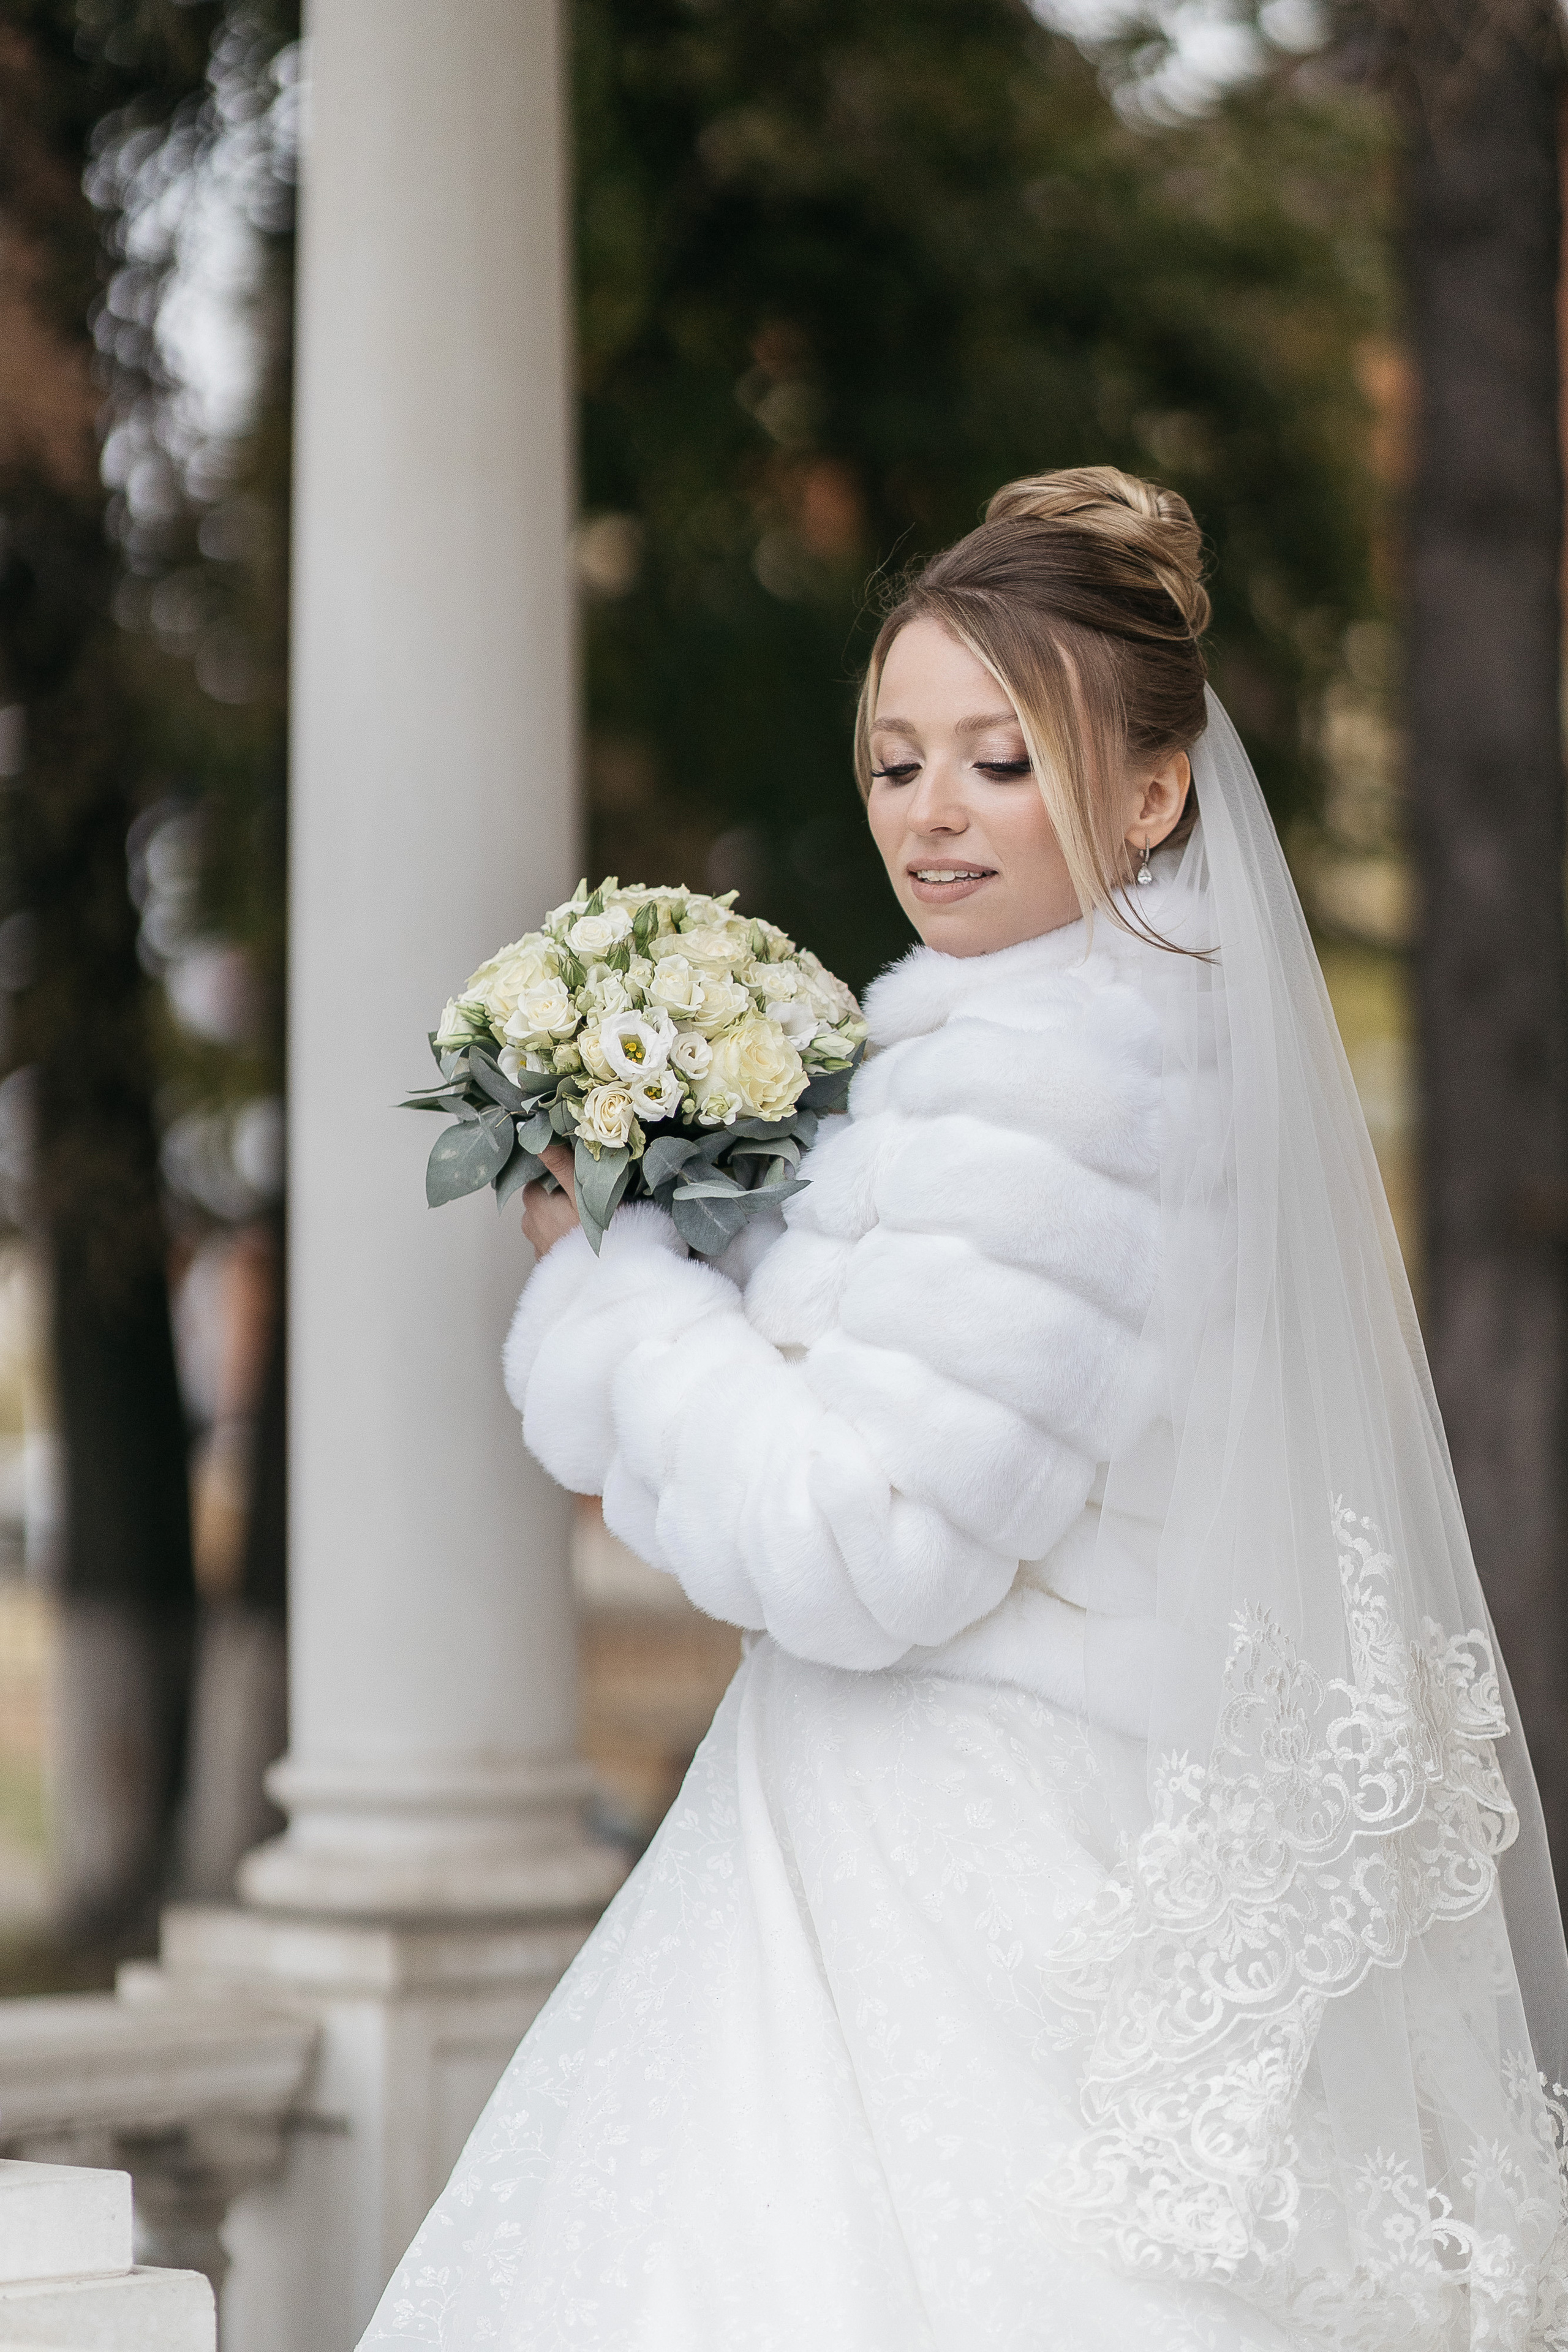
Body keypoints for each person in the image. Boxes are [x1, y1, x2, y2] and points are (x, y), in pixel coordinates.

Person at [362, 468, 1568, 2351]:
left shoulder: (1051, 1093)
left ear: (1154, 792)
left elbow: (861, 1543)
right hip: (973, 1819)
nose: (930, 812)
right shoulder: (1072, 1048)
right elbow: (952, 1407)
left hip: (940, 1867)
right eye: (898, 757)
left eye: (1001, 762)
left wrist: (605, 1291)